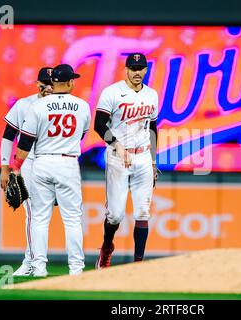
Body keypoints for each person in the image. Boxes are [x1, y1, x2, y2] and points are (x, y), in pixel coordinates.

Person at [12, 64, 91, 276]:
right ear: (70, 82)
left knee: (39, 218)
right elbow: (82, 134)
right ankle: (76, 268)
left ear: (53, 83)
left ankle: (38, 268)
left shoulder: (38, 106)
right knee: (73, 219)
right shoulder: (82, 106)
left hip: (42, 162)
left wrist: (16, 168)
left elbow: (25, 142)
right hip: (68, 162)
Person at [94, 53, 159, 269]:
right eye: (133, 68)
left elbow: (152, 128)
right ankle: (107, 246)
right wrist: (116, 144)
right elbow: (99, 124)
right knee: (115, 215)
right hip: (118, 157)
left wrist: (152, 160)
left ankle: (138, 265)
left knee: (142, 212)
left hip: (142, 156)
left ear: (146, 70)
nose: (137, 72)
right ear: (126, 69)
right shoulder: (112, 92)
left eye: (141, 68)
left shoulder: (152, 95)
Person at [0, 67, 53, 276]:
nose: (48, 87)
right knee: (33, 214)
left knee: (44, 216)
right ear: (37, 83)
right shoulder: (24, 104)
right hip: (29, 162)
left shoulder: (62, 106)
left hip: (54, 164)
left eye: (51, 83)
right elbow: (8, 135)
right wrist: (5, 168)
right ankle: (31, 262)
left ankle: (37, 262)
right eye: (44, 83)